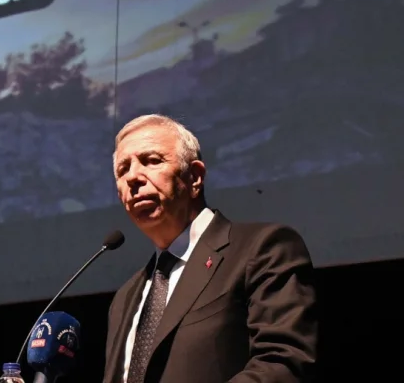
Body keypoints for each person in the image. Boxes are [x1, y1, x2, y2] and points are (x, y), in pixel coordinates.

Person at [103, 114, 317, 383]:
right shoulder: (125, 298)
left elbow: (283, 363)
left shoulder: (262, 249)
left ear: (194, 177)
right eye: (123, 170)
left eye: (152, 161)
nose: (133, 177)